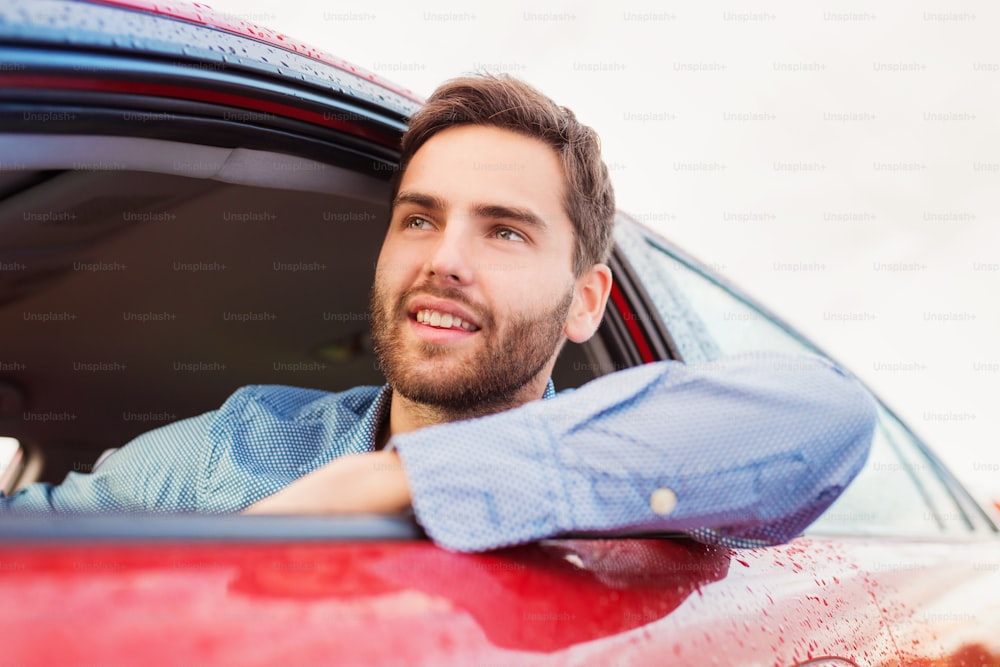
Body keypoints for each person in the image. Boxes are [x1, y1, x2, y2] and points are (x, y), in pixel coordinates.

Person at [0, 74, 877, 552]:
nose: (443, 259)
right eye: (418, 217)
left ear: (585, 302)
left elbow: (827, 415)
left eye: (504, 231)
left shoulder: (648, 486)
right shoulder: (235, 448)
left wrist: (404, 480)